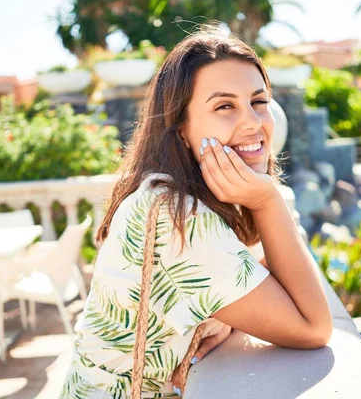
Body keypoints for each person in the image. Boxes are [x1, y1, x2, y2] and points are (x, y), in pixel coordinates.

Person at [61, 25, 332, 399]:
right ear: (182, 129)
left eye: (259, 101)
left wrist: (226, 316)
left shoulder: (184, 194)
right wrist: (268, 200)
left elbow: (265, 276)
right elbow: (313, 327)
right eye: (225, 106)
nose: (253, 122)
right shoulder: (178, 216)